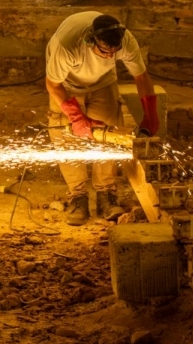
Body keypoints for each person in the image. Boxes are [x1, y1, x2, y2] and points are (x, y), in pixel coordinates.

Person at [45, 12, 159, 225]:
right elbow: (52, 84)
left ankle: (106, 194)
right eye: (105, 51)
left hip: (103, 82)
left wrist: (150, 115)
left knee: (109, 135)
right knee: (67, 138)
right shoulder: (67, 45)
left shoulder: (125, 41)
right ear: (90, 41)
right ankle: (77, 196)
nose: (110, 56)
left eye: (114, 52)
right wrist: (76, 117)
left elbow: (141, 77)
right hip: (66, 85)